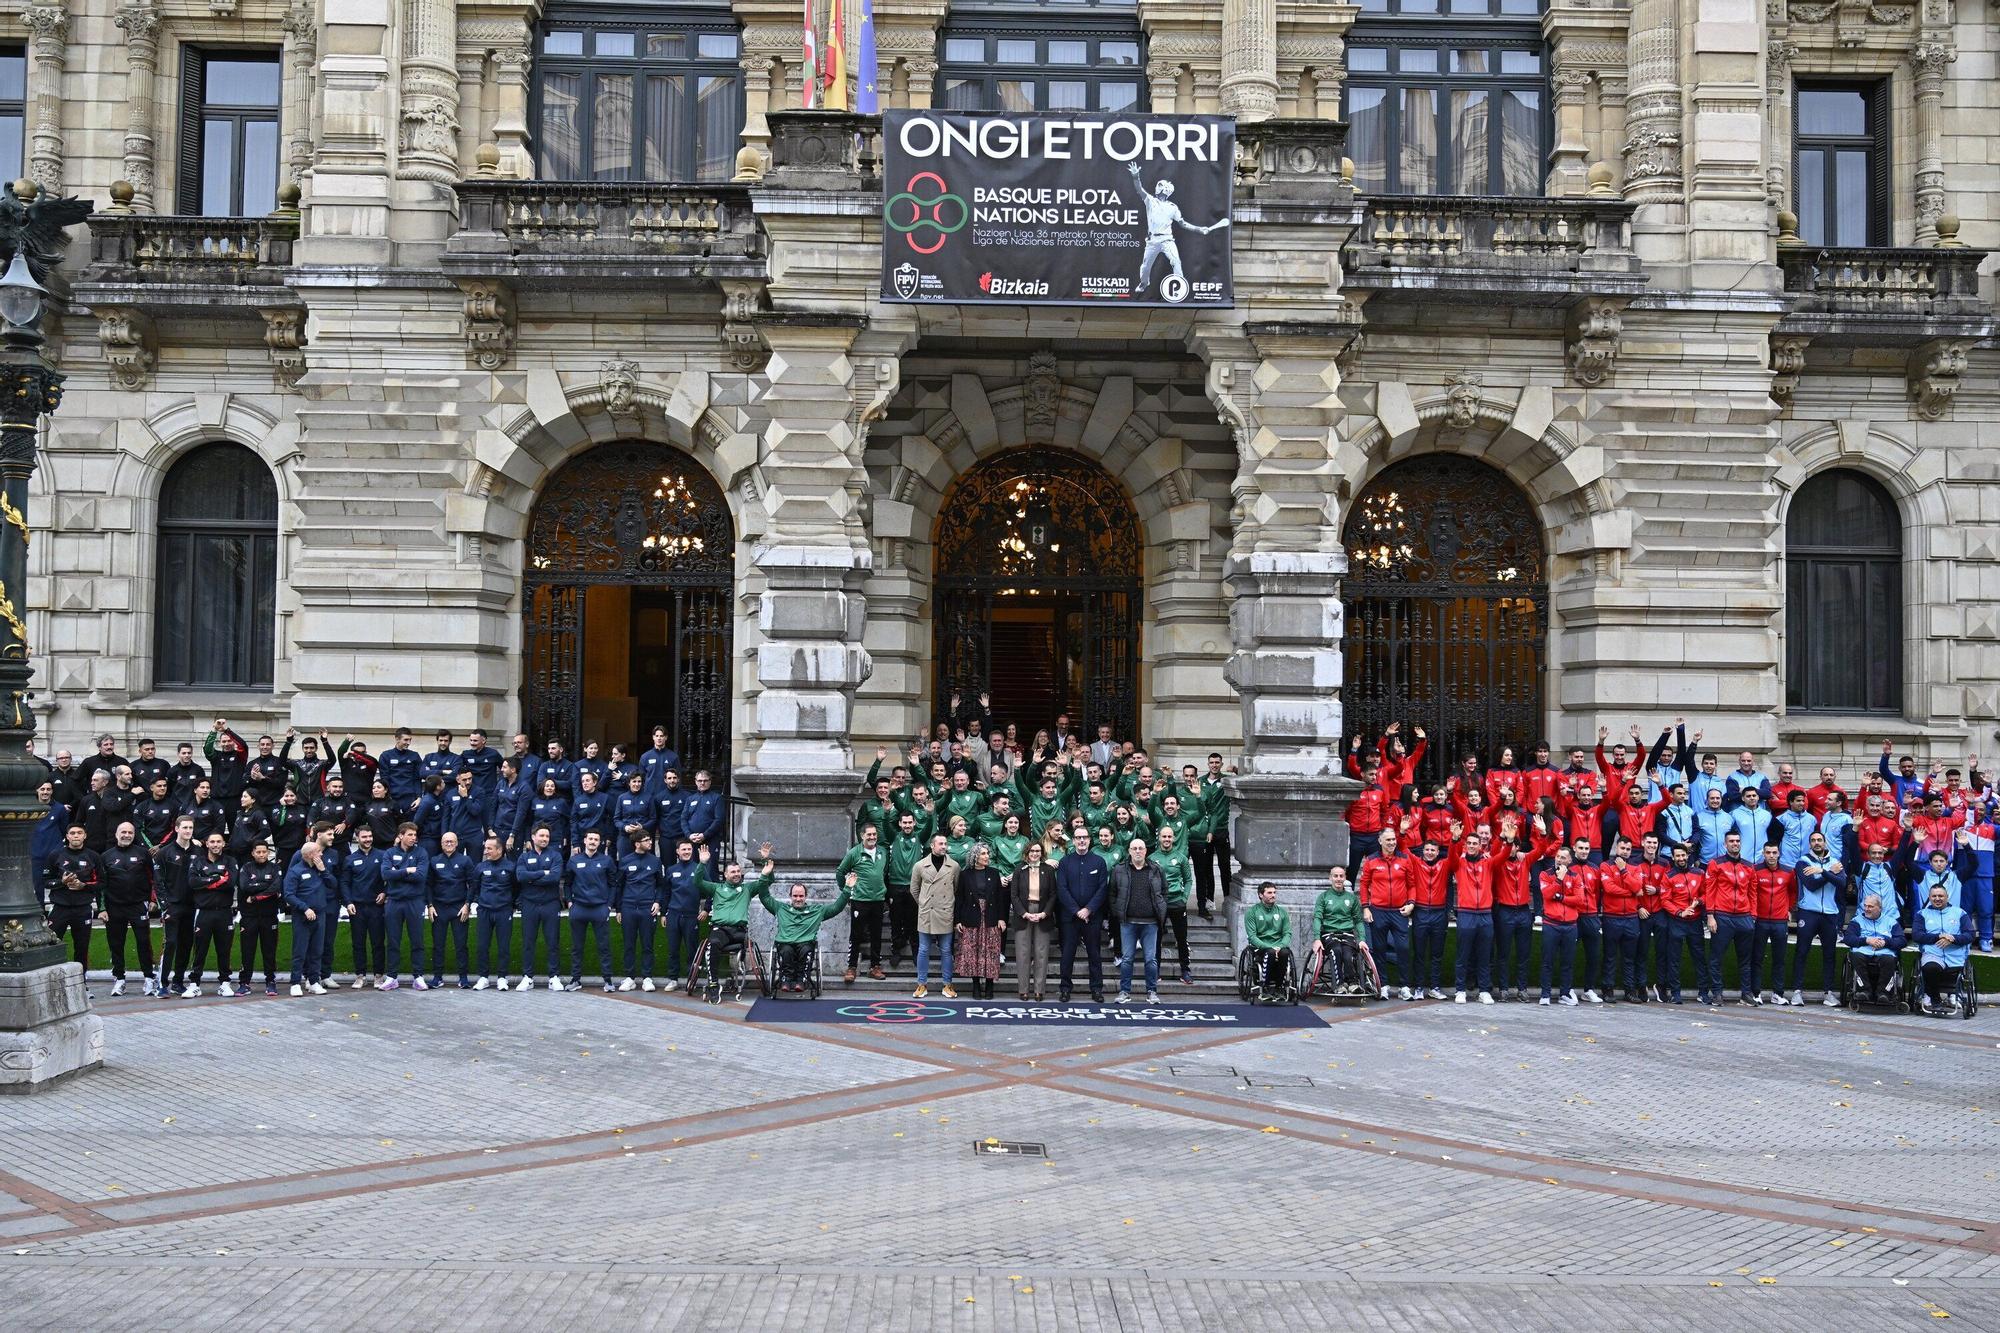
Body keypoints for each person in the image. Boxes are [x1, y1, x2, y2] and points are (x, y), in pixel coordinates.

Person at [693, 843, 776, 992]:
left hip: (739, 932)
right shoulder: (716, 888)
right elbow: (697, 882)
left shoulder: (747, 889)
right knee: (714, 942)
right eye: (733, 872)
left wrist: (765, 860)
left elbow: (768, 881)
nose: (737, 874)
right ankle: (713, 983)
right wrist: (702, 863)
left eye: (738, 871)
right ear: (725, 875)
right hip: (720, 930)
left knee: (725, 940)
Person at [757, 880, 850, 992]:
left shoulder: (817, 911)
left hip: (806, 943)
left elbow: (836, 907)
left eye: (801, 896)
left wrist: (847, 888)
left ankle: (801, 979)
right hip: (785, 943)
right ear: (790, 896)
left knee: (805, 950)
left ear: (806, 897)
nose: (798, 899)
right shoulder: (781, 908)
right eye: (795, 896)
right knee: (787, 951)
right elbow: (764, 897)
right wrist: (764, 876)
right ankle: (786, 979)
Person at [1788, 830, 1847, 1007]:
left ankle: (1828, 993)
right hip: (1808, 912)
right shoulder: (1803, 862)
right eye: (1813, 840)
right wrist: (1829, 873)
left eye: (1819, 840)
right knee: (1802, 952)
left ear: (1825, 842)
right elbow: (1812, 885)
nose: (1816, 843)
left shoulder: (1835, 862)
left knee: (1829, 954)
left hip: (1830, 913)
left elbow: (1842, 884)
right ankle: (1797, 992)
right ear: (1810, 844)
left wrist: (1822, 870)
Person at [1357, 826, 1416, 1000]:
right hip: (1378, 911)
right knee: (1380, 949)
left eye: (1393, 839)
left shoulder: (1405, 859)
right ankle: (1383, 985)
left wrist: (1411, 904)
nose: (1391, 843)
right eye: (1388, 840)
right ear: (1380, 841)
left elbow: (1412, 884)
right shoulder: (1371, 860)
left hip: (1399, 911)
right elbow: (1363, 885)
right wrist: (1365, 907)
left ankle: (1405, 986)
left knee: (1403, 949)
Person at [98, 821, 155, 996]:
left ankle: (149, 979)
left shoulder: (143, 854)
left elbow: (153, 878)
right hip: (114, 907)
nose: (127, 835)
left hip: (138, 905)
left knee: (144, 942)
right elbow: (101, 885)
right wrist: (102, 908)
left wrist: (153, 900)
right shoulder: (106, 856)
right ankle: (119, 979)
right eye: (123, 832)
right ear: (116, 834)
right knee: (116, 944)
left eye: (130, 832)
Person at [1111, 836, 1169, 1005]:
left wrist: (1161, 910)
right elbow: (1113, 893)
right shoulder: (1119, 870)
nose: (1137, 851)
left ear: (1146, 851)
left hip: (1150, 923)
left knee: (1150, 959)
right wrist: (1118, 912)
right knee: (1127, 958)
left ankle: (1151, 991)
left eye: (1140, 848)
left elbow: (1164, 892)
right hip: (1128, 922)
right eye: (1134, 848)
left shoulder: (1156, 869)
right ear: (1129, 851)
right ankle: (1124, 992)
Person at [1056, 826, 1110, 1003]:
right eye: (1078, 837)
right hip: (1069, 918)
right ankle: (1065, 988)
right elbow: (1061, 889)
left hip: (1092, 917)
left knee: (1094, 954)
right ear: (1073, 840)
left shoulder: (1099, 862)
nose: (1081, 841)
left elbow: (1103, 889)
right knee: (1067, 955)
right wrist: (1076, 910)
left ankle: (1096, 989)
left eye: (1084, 837)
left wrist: (1088, 909)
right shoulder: (1065, 862)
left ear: (1089, 840)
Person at [1703, 830, 1757, 1005]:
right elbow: (1709, 890)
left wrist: (1753, 916)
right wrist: (1710, 916)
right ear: (1725, 845)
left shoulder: (1749, 866)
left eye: (1737, 841)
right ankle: (1717, 992)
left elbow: (1753, 893)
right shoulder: (1715, 864)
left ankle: (1746, 993)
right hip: (1723, 915)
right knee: (1717, 957)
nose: (1735, 843)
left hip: (1744, 917)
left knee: (1745, 958)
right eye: (1731, 841)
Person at [379, 822, 433, 991]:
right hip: (394, 902)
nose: (413, 838)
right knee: (393, 941)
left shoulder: (421, 852)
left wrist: (398, 873)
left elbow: (421, 876)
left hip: (414, 902)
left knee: (417, 941)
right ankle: (392, 977)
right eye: (410, 834)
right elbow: (385, 874)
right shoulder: (389, 852)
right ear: (401, 836)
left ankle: (418, 976)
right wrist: (408, 870)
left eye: (415, 835)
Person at [185, 831, 239, 997]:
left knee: (224, 949)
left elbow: (230, 883)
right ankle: (194, 983)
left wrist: (206, 881)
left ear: (223, 844)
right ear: (206, 844)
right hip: (203, 913)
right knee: (200, 950)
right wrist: (216, 879)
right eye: (212, 842)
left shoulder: (230, 861)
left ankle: (224, 983)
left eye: (219, 842)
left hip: (224, 912)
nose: (215, 845)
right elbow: (193, 882)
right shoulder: (198, 861)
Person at [513, 824, 566, 991]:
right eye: (541, 835)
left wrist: (532, 879)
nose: (544, 839)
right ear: (533, 837)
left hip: (550, 904)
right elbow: (520, 876)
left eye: (547, 836)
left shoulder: (556, 856)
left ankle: (554, 977)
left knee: (552, 942)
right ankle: (528, 977)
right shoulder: (523, 857)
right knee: (528, 942)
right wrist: (544, 873)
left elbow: (555, 877)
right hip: (530, 904)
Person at [564, 829, 617, 992]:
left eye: (596, 839)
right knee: (577, 947)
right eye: (591, 839)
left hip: (600, 908)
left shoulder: (607, 860)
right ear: (584, 841)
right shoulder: (574, 860)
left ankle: (608, 981)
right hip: (579, 908)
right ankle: (575, 980)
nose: (593, 841)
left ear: (599, 842)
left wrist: (608, 905)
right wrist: (570, 901)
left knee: (604, 946)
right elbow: (567, 883)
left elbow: (613, 884)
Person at [283, 840, 337, 996]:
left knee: (317, 950)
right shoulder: (295, 871)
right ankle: (295, 983)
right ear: (310, 855)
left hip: (320, 915)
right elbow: (289, 895)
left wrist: (324, 870)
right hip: (302, 916)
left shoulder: (320, 869)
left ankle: (314, 981)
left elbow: (333, 884)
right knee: (300, 951)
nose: (321, 854)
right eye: (319, 852)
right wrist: (304, 908)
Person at [45, 824, 101, 974]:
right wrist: (61, 882)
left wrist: (83, 885)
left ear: (85, 836)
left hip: (83, 908)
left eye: (79, 833)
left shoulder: (93, 856)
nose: (76, 836)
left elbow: (102, 883)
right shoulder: (55, 855)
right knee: (52, 945)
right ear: (67, 836)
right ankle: (52, 980)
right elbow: (45, 881)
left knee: (81, 947)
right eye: (73, 833)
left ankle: (82, 982)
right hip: (60, 907)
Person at [955, 843, 1008, 1000]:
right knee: (973, 952)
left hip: (991, 916)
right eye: (983, 854)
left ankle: (990, 986)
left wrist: (1002, 918)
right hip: (971, 916)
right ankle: (976, 986)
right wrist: (957, 920)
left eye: (987, 853)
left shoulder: (994, 872)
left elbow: (999, 898)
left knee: (991, 952)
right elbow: (960, 898)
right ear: (975, 856)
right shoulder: (965, 875)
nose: (987, 856)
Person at [910, 833, 961, 999]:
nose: (944, 846)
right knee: (923, 950)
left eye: (945, 843)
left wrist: (945, 904)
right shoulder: (919, 865)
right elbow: (914, 889)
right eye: (940, 844)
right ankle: (921, 984)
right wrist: (924, 904)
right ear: (932, 845)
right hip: (927, 912)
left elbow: (956, 889)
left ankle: (947, 984)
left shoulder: (954, 866)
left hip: (945, 912)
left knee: (946, 950)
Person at [1911, 881, 1973, 1015]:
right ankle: (1935, 998)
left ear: (1947, 897)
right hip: (1933, 955)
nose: (1937, 899)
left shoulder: (1960, 913)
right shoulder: (1921, 914)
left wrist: (1953, 938)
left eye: (1940, 896)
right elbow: (1917, 935)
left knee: (1955, 969)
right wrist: (1939, 936)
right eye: (1934, 896)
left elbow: (1970, 934)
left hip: (1955, 956)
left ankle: (1953, 995)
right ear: (1929, 897)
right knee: (1930, 967)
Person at [837, 824, 889, 983]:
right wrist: (846, 891)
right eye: (869, 835)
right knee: (856, 935)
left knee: (876, 935)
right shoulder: (854, 853)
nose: (872, 837)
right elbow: (840, 872)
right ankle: (852, 967)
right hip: (859, 900)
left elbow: (883, 872)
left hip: (878, 900)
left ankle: (875, 967)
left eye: (874, 834)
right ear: (862, 836)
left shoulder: (883, 852)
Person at [613, 831, 663, 990]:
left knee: (647, 944)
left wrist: (657, 902)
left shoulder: (655, 861)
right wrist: (619, 908)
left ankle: (647, 977)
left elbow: (661, 885)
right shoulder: (625, 861)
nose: (650, 842)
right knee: (629, 944)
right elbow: (618, 885)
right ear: (637, 844)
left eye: (650, 839)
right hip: (628, 907)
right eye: (646, 840)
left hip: (647, 908)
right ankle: (630, 977)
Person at [426, 830, 475, 989]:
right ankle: (437, 977)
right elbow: (428, 885)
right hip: (439, 908)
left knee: (461, 944)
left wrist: (467, 904)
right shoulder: (434, 861)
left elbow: (473, 884)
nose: (448, 844)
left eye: (451, 841)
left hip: (459, 908)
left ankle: (463, 978)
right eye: (445, 841)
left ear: (457, 843)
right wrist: (430, 905)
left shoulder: (465, 860)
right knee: (438, 944)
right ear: (441, 844)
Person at [1008, 841, 1056, 1001]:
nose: (1035, 854)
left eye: (1038, 851)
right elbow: (1013, 895)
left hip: (1042, 914)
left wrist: (1045, 913)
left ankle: (1038, 990)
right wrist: (1023, 913)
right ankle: (1023, 990)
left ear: (1042, 853)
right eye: (1032, 851)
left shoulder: (1048, 870)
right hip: (1024, 913)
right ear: (1027, 853)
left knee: (1041, 953)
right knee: (1023, 953)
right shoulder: (1019, 870)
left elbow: (1053, 895)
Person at [235, 840, 285, 996]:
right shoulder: (246, 868)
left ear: (268, 852)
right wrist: (266, 886)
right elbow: (245, 886)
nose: (262, 855)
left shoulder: (275, 867)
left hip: (269, 916)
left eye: (264, 852)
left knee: (269, 951)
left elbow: (276, 887)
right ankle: (244, 983)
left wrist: (256, 896)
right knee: (247, 950)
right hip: (249, 916)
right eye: (259, 852)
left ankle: (270, 981)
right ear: (253, 853)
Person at [1748, 843, 1793, 1005]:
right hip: (1760, 920)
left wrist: (1789, 908)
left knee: (1779, 959)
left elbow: (1793, 891)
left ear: (1779, 853)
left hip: (1780, 921)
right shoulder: (1755, 870)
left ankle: (1778, 993)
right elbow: (1750, 892)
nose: (1772, 856)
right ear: (1763, 853)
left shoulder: (1788, 871)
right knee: (1757, 957)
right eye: (1768, 852)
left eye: (1774, 852)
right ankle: (1755, 992)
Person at [1538, 846, 1583, 1006]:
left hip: (1570, 925)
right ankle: (1545, 994)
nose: (1559, 859)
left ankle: (1565, 993)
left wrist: (1561, 897)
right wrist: (1559, 880)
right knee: (1547, 961)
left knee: (1567, 962)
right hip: (1551, 923)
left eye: (1563, 857)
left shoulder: (1576, 876)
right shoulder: (1545, 874)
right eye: (1558, 856)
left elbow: (1579, 899)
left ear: (1570, 860)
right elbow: (1547, 894)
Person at [1310, 866, 1366, 996]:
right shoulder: (1323, 897)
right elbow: (1317, 918)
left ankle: (1352, 983)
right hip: (1329, 934)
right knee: (1336, 951)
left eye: (1341, 876)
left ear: (1345, 878)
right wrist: (1317, 938)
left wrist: (1362, 939)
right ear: (1330, 878)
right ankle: (1339, 985)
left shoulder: (1352, 898)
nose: (1338, 879)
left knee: (1348, 954)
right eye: (1335, 876)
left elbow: (1358, 920)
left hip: (1347, 934)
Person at [472, 834, 518, 991]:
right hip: (484, 911)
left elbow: (516, 888)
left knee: (503, 946)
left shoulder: (511, 867)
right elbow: (475, 888)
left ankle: (502, 978)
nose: (486, 851)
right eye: (485, 848)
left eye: (489, 848)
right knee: (482, 946)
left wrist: (511, 904)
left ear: (499, 850)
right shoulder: (480, 867)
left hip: (504, 911)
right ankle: (483, 977)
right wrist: (477, 902)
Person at [1151, 823, 1195, 986]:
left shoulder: (1181, 857)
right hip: (1159, 903)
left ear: (1174, 838)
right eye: (1164, 836)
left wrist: (1184, 898)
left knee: (1181, 938)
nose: (1167, 839)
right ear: (1159, 838)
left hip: (1177, 902)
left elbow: (1188, 880)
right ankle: (1155, 970)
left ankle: (1185, 970)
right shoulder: (1152, 858)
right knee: (1156, 939)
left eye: (1169, 836)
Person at [1842, 893, 1905, 1004]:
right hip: (1862, 951)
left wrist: (1886, 942)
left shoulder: (1891, 922)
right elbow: (1848, 939)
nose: (1867, 909)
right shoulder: (1857, 921)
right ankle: (1864, 991)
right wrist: (1866, 940)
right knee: (1856, 956)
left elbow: (1902, 941)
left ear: (1880, 908)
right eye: (1865, 906)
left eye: (1870, 906)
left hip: (1884, 952)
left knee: (1889, 959)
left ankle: (1883, 993)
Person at [1242, 882, 1293, 1002]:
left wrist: (1280, 946)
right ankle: (1264, 987)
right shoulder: (1252, 912)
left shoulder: (1282, 912)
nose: (1273, 895)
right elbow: (1252, 936)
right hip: (1260, 946)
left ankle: (1279, 987)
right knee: (1269, 952)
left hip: (1278, 946)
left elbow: (1287, 933)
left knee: (1285, 953)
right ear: (1260, 895)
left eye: (1274, 892)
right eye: (1269, 893)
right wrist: (1268, 947)